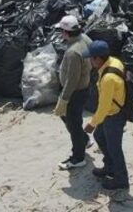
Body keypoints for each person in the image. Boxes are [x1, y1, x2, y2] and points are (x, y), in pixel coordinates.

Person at [82, 40, 129, 196]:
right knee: (100, 137)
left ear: (98, 59)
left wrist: (92, 123)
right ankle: (109, 167)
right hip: (113, 112)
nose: (90, 61)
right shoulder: (114, 61)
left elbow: (104, 106)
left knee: (114, 148)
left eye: (91, 58)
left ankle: (121, 179)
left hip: (114, 115)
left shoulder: (108, 78)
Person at [53, 15, 93, 170]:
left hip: (76, 92)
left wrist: (63, 99)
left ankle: (78, 158)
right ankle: (84, 140)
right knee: (69, 118)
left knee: (74, 124)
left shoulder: (73, 52)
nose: (60, 34)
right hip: (85, 86)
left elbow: (72, 80)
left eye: (61, 31)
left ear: (66, 32)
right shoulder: (85, 38)